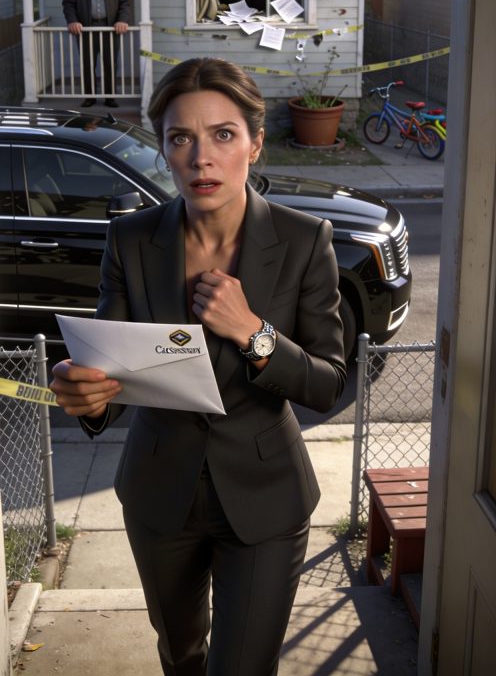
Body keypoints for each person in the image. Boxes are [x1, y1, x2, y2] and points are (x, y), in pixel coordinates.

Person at [51, 57, 346, 676]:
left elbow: (327, 384)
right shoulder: (131, 240)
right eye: (181, 138)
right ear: (163, 149)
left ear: (255, 144)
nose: (201, 158)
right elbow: (109, 372)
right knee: (181, 656)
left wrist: (254, 332)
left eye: (223, 134)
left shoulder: (304, 240)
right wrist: (89, 396)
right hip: (160, 494)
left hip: (266, 498)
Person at [62, 0, 130, 107]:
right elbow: (68, 4)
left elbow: (124, 3)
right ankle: (90, 97)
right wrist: (73, 21)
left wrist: (122, 20)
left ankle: (110, 97)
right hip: (85, 29)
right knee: (87, 64)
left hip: (110, 29)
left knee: (110, 64)